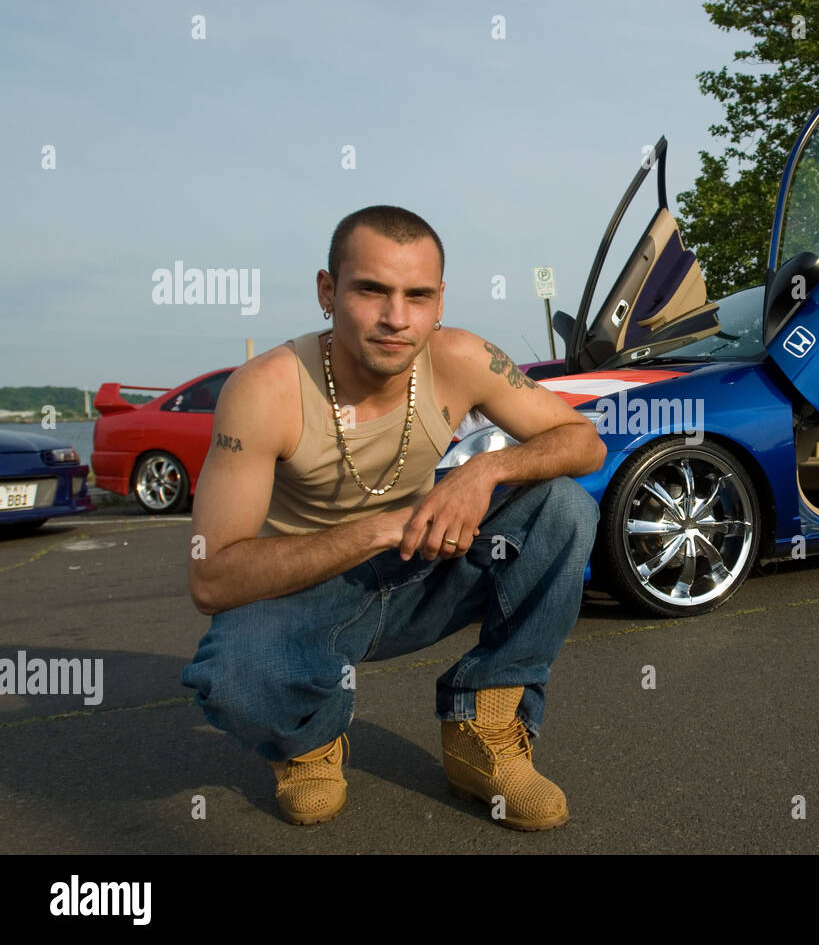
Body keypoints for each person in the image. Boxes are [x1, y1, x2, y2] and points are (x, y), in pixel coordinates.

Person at [180, 205, 605, 831]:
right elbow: (211, 579)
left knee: (564, 508)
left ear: (440, 301)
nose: (396, 318)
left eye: (418, 295)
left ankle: (481, 729)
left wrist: (482, 472)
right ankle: (309, 743)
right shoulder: (266, 390)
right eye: (371, 290)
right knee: (234, 676)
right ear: (328, 292)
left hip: (422, 569)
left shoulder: (459, 358)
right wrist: (384, 526)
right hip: (306, 592)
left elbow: (583, 441)